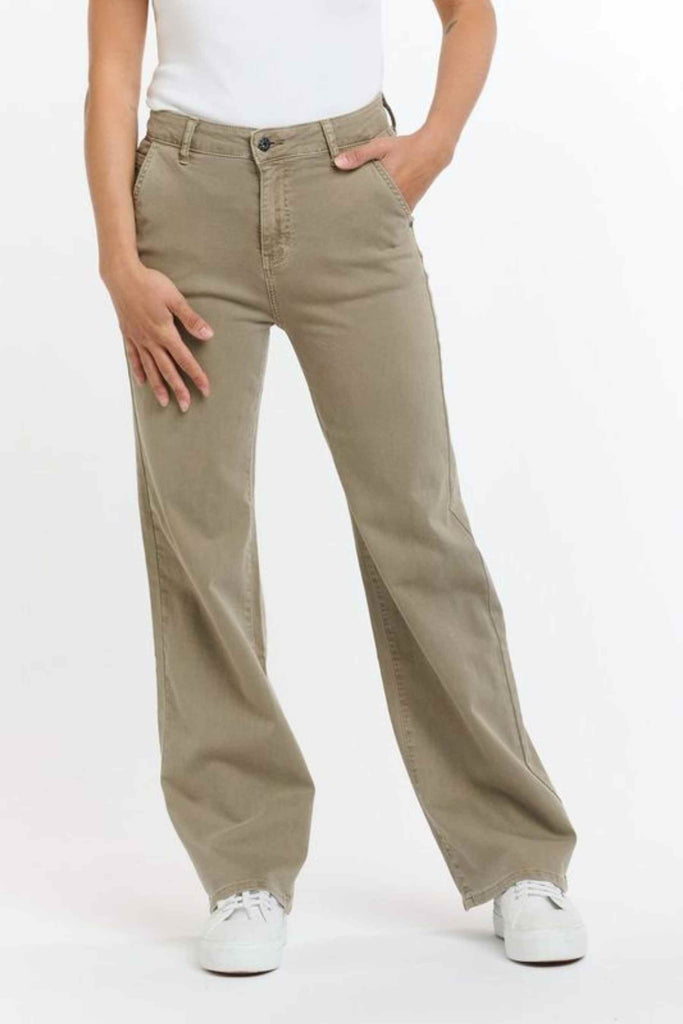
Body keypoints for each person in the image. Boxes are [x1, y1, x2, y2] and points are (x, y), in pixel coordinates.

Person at [85, 0, 587, 972]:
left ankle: (517, 857)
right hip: (185, 202)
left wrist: (434, 142)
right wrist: (118, 260)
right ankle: (242, 870)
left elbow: (469, 16)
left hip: (348, 188)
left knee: (420, 525)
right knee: (198, 540)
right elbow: (112, 71)